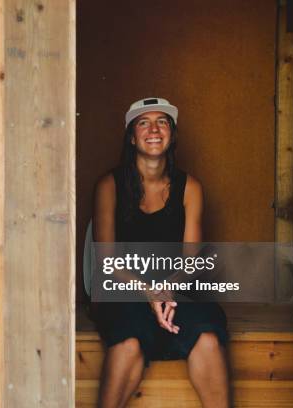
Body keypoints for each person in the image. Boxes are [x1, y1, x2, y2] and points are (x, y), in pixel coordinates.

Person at [92, 98, 230, 407]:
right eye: (143, 122)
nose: (154, 129)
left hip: (177, 290)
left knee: (207, 337)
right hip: (126, 289)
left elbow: (191, 261)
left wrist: (167, 289)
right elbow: (107, 262)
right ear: (131, 137)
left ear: (171, 134)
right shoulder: (109, 186)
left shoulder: (190, 187)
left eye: (162, 122)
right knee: (128, 341)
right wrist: (148, 292)